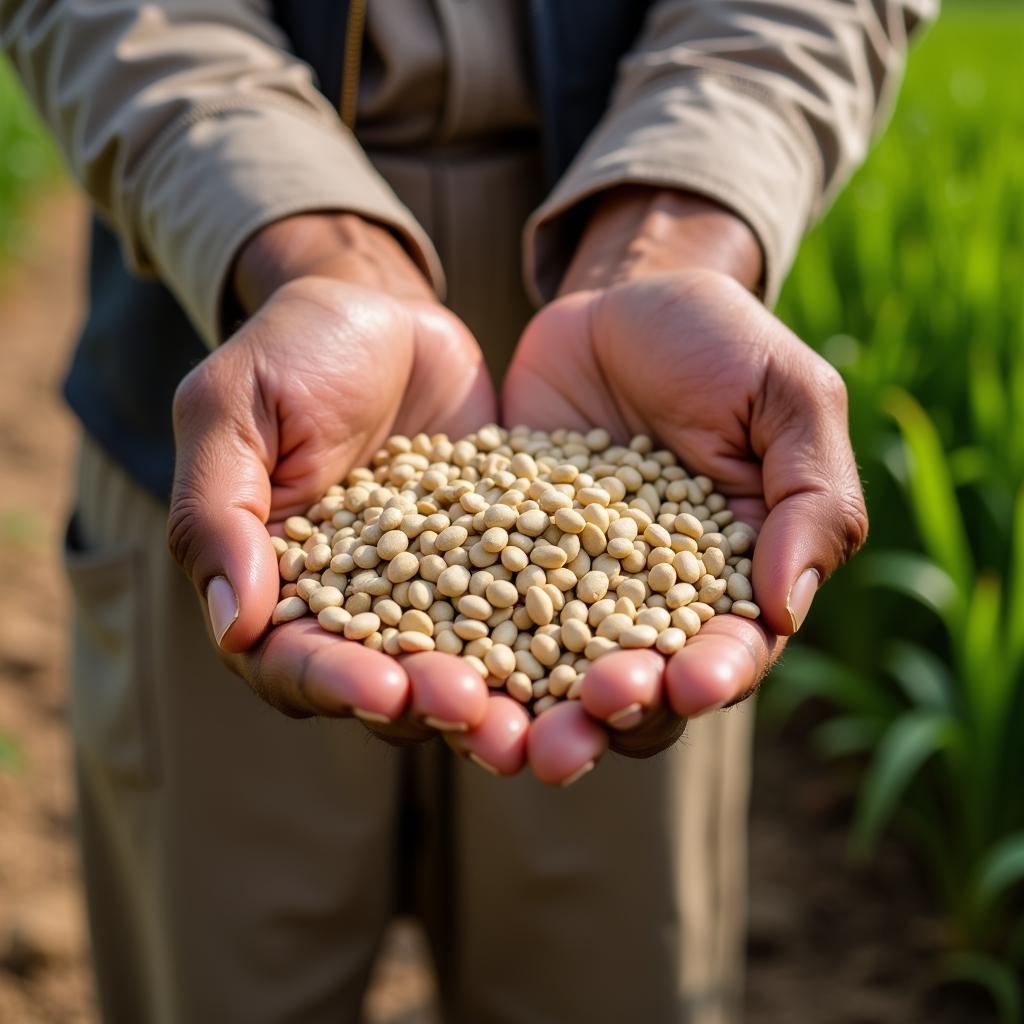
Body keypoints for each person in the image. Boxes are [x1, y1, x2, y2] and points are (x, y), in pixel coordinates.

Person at [2, 1, 933, 1021]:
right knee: (219, 980)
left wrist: (677, 223)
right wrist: (311, 242)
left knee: (602, 981)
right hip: (239, 315)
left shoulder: (636, 554)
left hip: (635, 348)